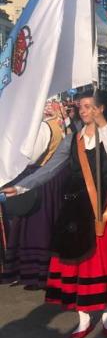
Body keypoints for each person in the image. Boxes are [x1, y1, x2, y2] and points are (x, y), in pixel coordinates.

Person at [45, 90, 107, 338]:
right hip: (77, 207)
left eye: (90, 106)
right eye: (81, 107)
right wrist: (22, 186)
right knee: (78, 261)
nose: (84, 110)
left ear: (101, 108)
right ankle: (83, 317)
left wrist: (103, 123)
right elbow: (51, 168)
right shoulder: (72, 139)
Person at [1, 103, 69, 289]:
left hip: (40, 180)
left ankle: (36, 273)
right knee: (49, 223)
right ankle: (46, 270)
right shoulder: (61, 124)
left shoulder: (45, 127)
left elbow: (30, 157)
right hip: (54, 179)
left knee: (35, 227)